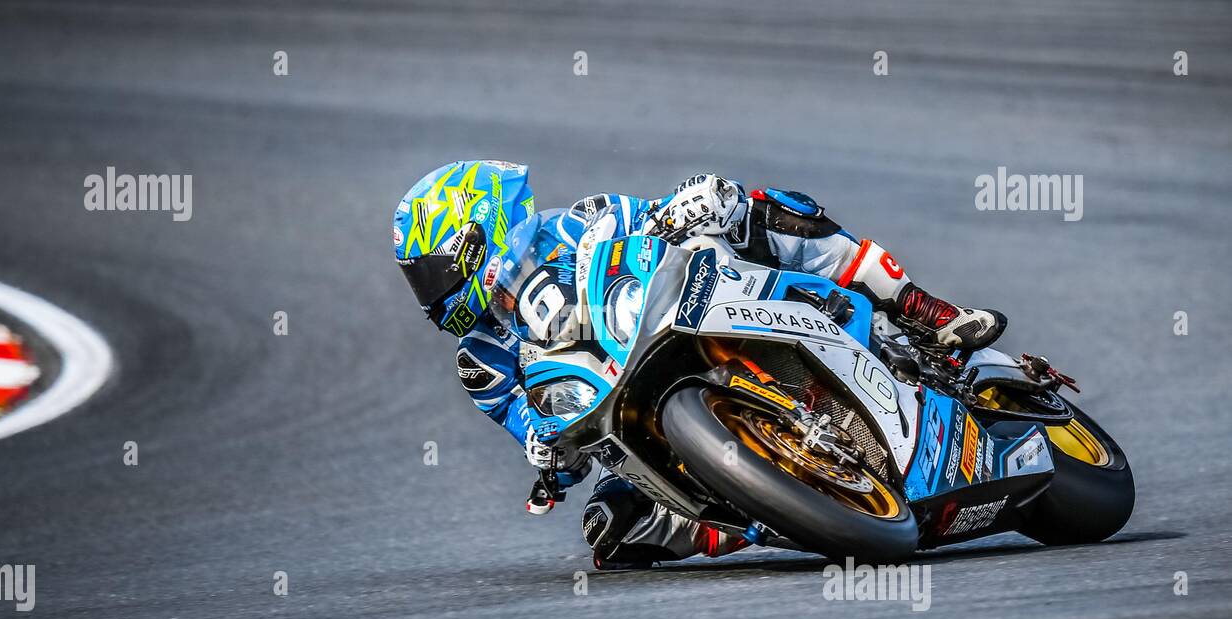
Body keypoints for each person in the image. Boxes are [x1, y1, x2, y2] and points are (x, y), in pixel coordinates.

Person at [394, 161, 1004, 569]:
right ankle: (765, 512)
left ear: (479, 230)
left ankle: (922, 310)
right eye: (419, 282)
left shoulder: (579, 222)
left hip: (678, 316)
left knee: (757, 211)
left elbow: (654, 221)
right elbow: (536, 427)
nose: (432, 295)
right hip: (621, 411)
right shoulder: (482, 361)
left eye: (433, 272)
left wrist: (693, 206)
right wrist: (547, 453)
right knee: (611, 527)